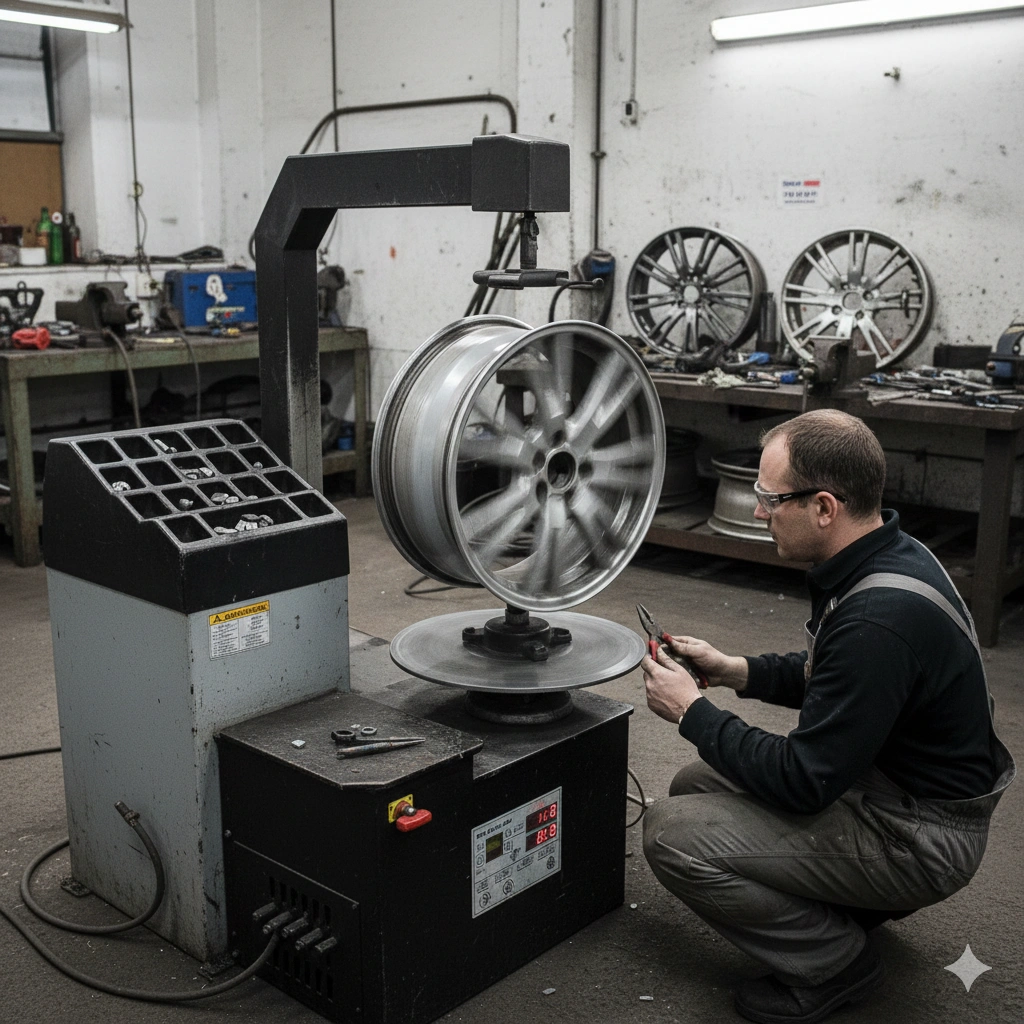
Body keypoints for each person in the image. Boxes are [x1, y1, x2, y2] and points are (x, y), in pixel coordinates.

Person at [641, 409, 1015, 1024]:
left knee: (671, 833)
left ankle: (836, 963)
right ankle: (844, 904)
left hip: (918, 836)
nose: (757, 512)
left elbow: (804, 780)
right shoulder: (886, 554)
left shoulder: (878, 619)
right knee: (695, 785)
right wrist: (735, 669)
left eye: (770, 499)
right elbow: (838, 679)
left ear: (823, 507)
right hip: (890, 786)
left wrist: (692, 712)